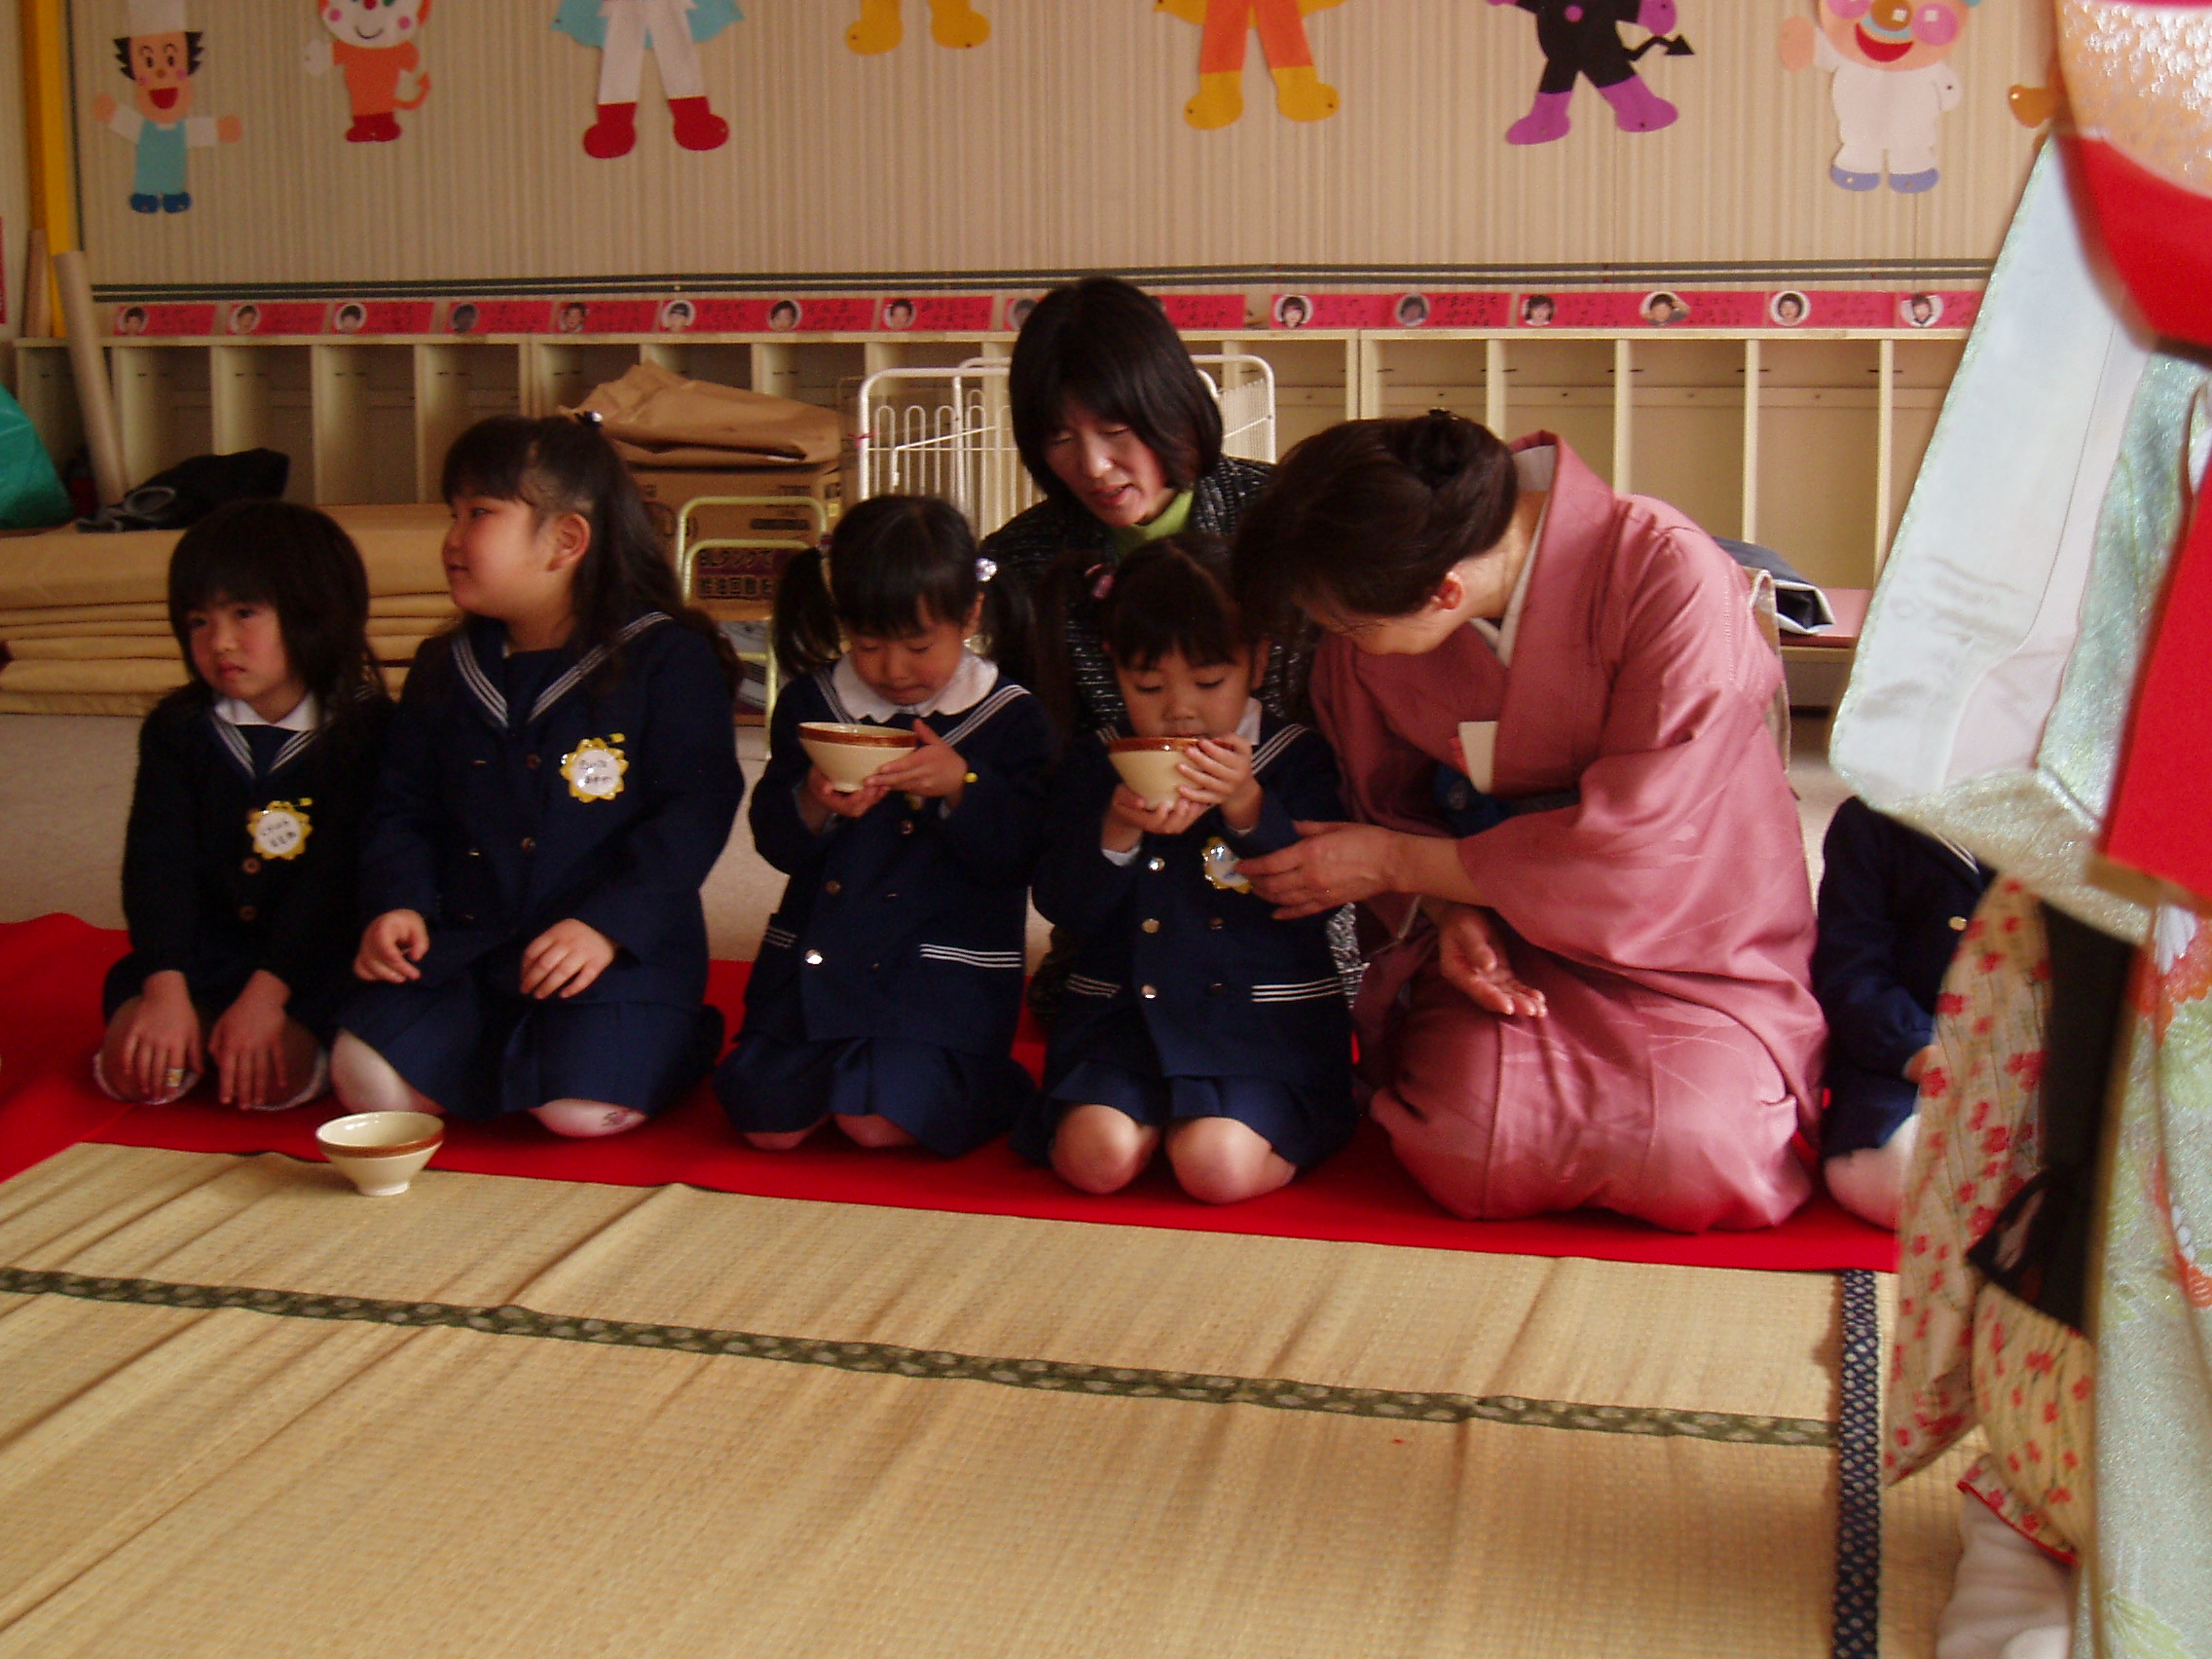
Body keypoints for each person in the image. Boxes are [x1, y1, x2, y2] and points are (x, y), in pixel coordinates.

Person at [1233, 412, 1824, 1232]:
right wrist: (1449, 912)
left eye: (1347, 627)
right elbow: (1384, 799)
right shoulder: (1380, 586)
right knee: (1471, 1143)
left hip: (1691, 934)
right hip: (1503, 940)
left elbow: (1642, 847)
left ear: (1444, 593)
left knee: (1700, 1152)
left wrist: (1401, 865)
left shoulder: (1666, 571)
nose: (1340, 642)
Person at [334, 414, 743, 1139]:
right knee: (366, 1081)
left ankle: (672, 1040)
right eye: (453, 514)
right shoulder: (444, 667)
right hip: (469, 949)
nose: (453, 538)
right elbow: (401, 807)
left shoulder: (665, 661)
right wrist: (398, 905)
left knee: (579, 1114)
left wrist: (606, 928)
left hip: (606, 955)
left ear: (566, 541)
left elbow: (694, 811)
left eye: (480, 514)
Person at [1018, 537, 1352, 1202]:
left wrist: (1247, 804)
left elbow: (1321, 896)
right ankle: (1153, 1122)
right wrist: (1116, 830)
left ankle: (1258, 1126)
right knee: (1094, 1161)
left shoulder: (1296, 758)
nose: (1179, 708)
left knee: (1214, 1168)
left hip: (1256, 1025)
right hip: (1124, 1019)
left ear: (1257, 660)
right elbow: (1063, 902)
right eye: (1148, 685)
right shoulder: (1097, 760)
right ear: (1114, 667)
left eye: (1208, 682)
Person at [716, 497, 1051, 1156]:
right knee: (767, 1124)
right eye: (868, 645)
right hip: (821, 961)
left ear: (971, 614)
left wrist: (962, 785)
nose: (894, 669)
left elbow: (1022, 854)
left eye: (919, 645)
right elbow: (775, 840)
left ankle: (992, 1087)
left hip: (937, 976)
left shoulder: (1012, 714)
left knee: (880, 1122)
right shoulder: (814, 701)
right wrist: (813, 801)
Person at [98, 500, 393, 1111]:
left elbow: (336, 882)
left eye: (244, 614)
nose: (220, 642)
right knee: (138, 1073)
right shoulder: (177, 729)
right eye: (198, 621)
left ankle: (258, 1035)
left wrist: (267, 997)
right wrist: (165, 989)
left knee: (270, 1080)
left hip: (311, 963)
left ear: (315, 610)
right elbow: (157, 863)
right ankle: (197, 1026)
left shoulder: (367, 731)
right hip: (198, 955)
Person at [984, 276, 1285, 736]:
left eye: (1114, 430)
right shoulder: (1023, 559)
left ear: (1171, 408)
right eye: (1060, 438)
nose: (1094, 466)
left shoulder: (1280, 518)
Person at [1812, 795, 1990, 1228]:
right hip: (1897, 1070)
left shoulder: (2070, 821)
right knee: (1908, 1174)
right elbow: (1850, 971)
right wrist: (1922, 1053)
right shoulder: (1872, 819)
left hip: (2031, 1068)